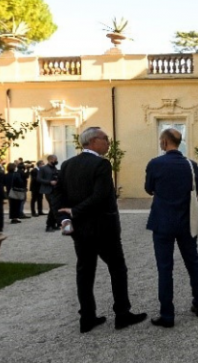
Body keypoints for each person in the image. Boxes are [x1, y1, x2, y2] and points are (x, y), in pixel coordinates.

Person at [54, 127, 147, 334]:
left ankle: (87, 317)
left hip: (80, 230)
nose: (108, 142)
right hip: (104, 228)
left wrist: (65, 218)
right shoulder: (101, 164)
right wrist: (74, 212)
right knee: (117, 269)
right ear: (93, 141)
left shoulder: (67, 164)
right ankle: (122, 313)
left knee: (85, 272)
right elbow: (101, 196)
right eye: (105, 138)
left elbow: (57, 195)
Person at [144, 128, 198, 328]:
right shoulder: (191, 165)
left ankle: (167, 314)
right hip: (186, 221)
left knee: (165, 268)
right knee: (193, 263)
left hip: (162, 222)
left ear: (164, 142)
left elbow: (149, 188)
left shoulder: (155, 164)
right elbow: (195, 189)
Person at [37, 156, 60, 232]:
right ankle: (49, 225)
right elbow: (39, 179)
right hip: (48, 190)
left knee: (54, 207)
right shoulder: (43, 168)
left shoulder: (54, 168)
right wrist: (49, 182)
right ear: (50, 160)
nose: (56, 161)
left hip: (55, 190)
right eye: (55, 160)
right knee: (52, 207)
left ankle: (53, 224)